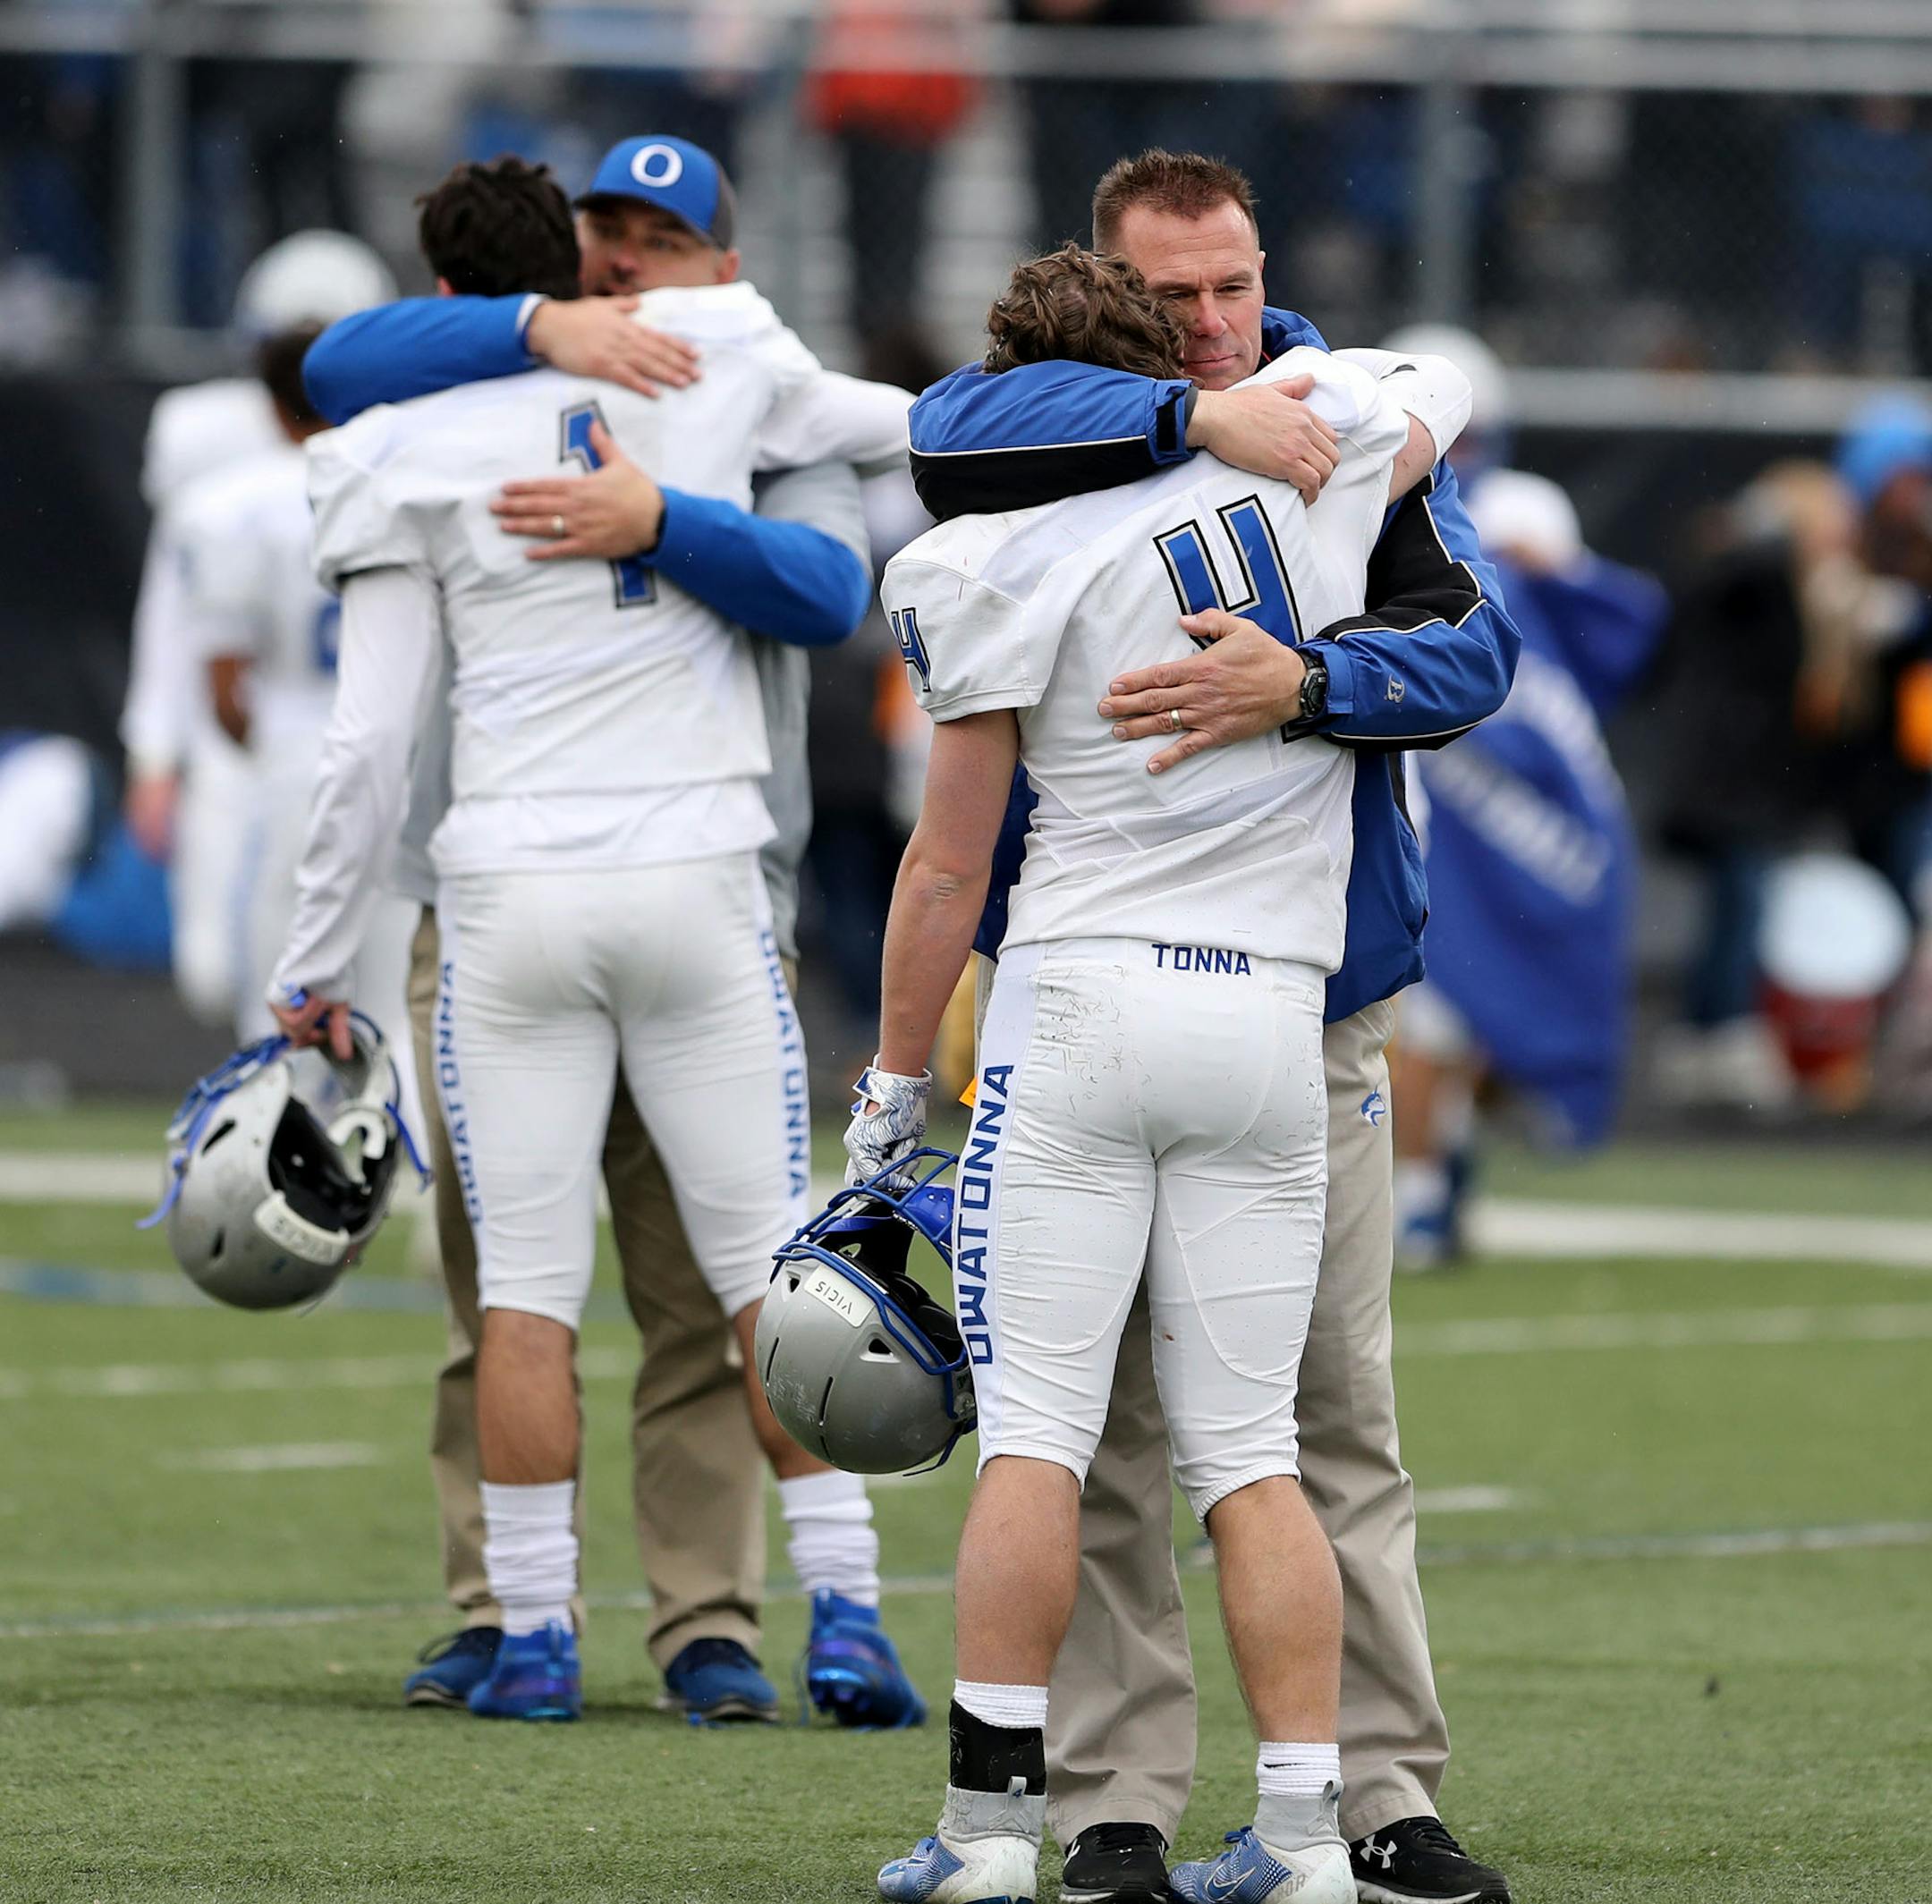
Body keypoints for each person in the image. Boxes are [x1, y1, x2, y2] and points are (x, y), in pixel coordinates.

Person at [902, 150, 1521, 1904]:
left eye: (1234, 283)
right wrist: (1185, 426)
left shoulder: (1338, 409)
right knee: (1109, 1432)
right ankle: (1126, 1799)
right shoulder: (1040, 431)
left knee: (1325, 1418)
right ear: (1097, 293)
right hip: (1161, 995)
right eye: (1171, 298)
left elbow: (1473, 654)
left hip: (1279, 997)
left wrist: (1303, 680)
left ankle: (1378, 1791)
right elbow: (949, 429)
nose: (1215, 323)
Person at [267, 155, 914, 1725]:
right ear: (554, 273)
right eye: (603, 249)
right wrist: (1175, 416)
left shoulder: (403, 439)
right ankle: (848, 1607)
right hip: (694, 869)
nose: (630, 271)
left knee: (528, 1301)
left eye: (658, 242)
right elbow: (920, 422)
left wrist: (312, 963)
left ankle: (544, 1630)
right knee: (772, 1271)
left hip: (509, 889)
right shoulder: (738, 356)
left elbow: (363, 745)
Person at [119, 232, 397, 1029]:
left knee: (287, 987)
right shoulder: (211, 443)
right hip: (271, 731)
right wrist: (156, 748)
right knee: (228, 969)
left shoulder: (392, 452)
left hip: (290, 734)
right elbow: (174, 608)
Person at [166, 324, 419, 1090]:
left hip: (297, 764)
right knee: (398, 1007)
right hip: (405, 762)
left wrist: (278, 747)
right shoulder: (406, 486)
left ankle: (283, 1183)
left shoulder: (226, 505)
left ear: (269, 406)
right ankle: (404, 1176)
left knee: (283, 1006)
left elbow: (226, 692)